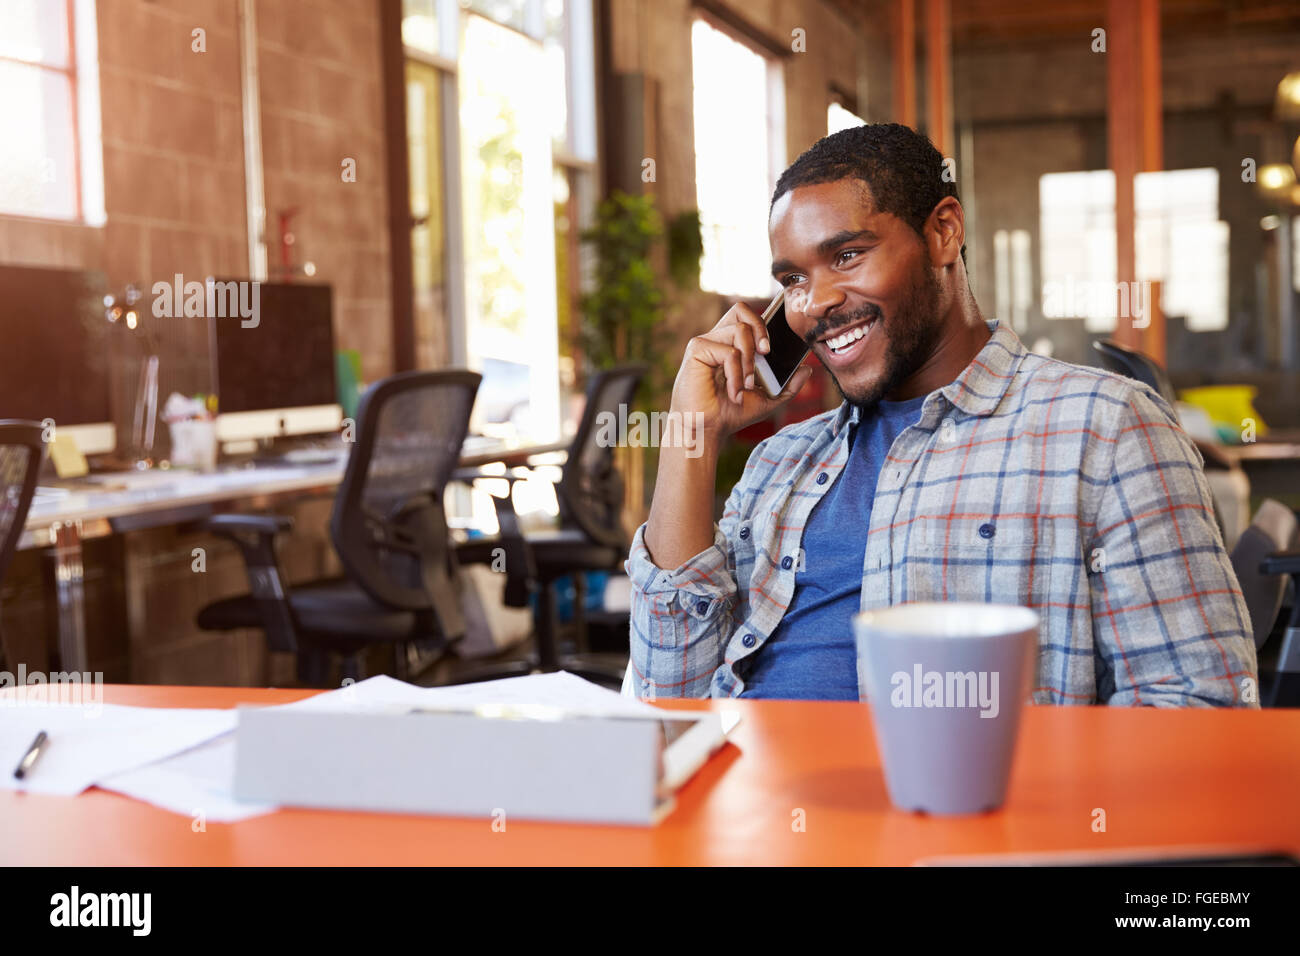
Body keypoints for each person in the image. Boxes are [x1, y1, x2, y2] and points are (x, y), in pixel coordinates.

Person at [626, 122, 1259, 707]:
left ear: (943, 232)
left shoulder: (1107, 429)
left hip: (962, 816)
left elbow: (1198, 706)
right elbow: (667, 699)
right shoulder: (779, 462)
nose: (813, 304)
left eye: (847, 256)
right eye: (792, 280)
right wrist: (693, 433)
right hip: (748, 811)